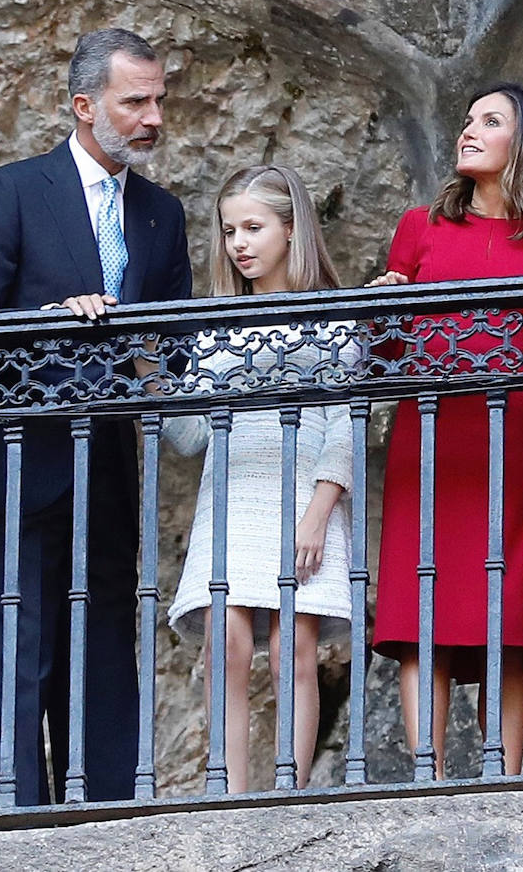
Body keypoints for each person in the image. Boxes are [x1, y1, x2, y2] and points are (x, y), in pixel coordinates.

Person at [0, 27, 192, 806]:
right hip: (16, 463)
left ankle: (109, 816)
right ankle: (19, 829)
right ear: (85, 106)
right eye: (135, 101)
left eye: (158, 101)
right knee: (21, 653)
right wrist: (50, 319)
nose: (152, 117)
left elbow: (175, 346)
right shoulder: (11, 190)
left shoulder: (160, 213)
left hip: (108, 464)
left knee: (107, 644)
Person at [367, 83, 523, 776]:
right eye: (468, 120)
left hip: (516, 445)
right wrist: (384, 310)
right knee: (417, 614)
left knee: (506, 618)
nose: (468, 130)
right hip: (428, 443)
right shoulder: (420, 227)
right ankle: (425, 779)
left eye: (490, 122)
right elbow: (385, 359)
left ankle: (506, 780)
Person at [163, 164, 355, 792]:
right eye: (228, 231)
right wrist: (147, 373)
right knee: (227, 649)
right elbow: (190, 438)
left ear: (292, 229)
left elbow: (345, 424)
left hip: (303, 498)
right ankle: (228, 794)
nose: (239, 243)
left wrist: (319, 514)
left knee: (293, 652)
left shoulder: (334, 318)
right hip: (230, 497)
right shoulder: (217, 329)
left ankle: (289, 794)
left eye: (253, 227)